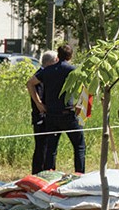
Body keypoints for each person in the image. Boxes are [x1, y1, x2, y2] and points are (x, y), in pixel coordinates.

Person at [28, 45, 86, 174]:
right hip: (68, 114)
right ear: (70, 56)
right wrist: (80, 104)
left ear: (58, 56)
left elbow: (30, 83)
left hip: (51, 115)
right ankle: (79, 174)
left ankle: (49, 174)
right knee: (79, 146)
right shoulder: (72, 70)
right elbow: (85, 85)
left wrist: (39, 103)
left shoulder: (47, 70)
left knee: (51, 148)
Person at [29, 51, 58, 174]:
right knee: (42, 147)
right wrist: (40, 105)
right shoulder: (41, 75)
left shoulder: (47, 74)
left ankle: (46, 171)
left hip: (46, 116)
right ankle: (38, 173)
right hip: (41, 116)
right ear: (51, 62)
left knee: (47, 146)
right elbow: (38, 93)